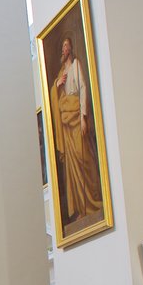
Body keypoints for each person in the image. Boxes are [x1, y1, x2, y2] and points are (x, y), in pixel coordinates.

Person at [50, 34, 102, 224]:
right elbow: (54, 94)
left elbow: (83, 89)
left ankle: (93, 201)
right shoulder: (61, 73)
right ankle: (81, 207)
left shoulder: (76, 65)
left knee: (84, 159)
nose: (64, 49)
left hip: (76, 116)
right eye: (62, 47)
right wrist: (57, 84)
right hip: (66, 121)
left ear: (70, 49)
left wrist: (83, 117)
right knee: (73, 166)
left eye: (66, 46)